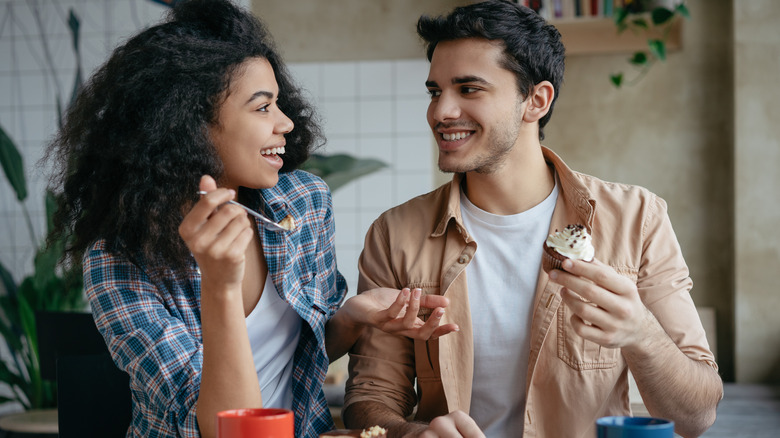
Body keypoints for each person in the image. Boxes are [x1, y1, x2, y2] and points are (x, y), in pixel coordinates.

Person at [44, 1, 454, 437]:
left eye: (279, 103)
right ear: (189, 125)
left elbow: (296, 357)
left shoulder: (304, 203)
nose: (286, 123)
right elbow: (219, 428)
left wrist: (351, 317)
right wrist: (220, 284)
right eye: (262, 108)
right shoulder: (119, 262)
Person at [342, 1, 723, 437]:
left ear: (536, 100)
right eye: (435, 91)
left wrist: (641, 333)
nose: (440, 112)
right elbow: (370, 397)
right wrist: (414, 434)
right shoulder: (395, 234)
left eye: (468, 89)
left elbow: (697, 417)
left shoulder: (638, 219)